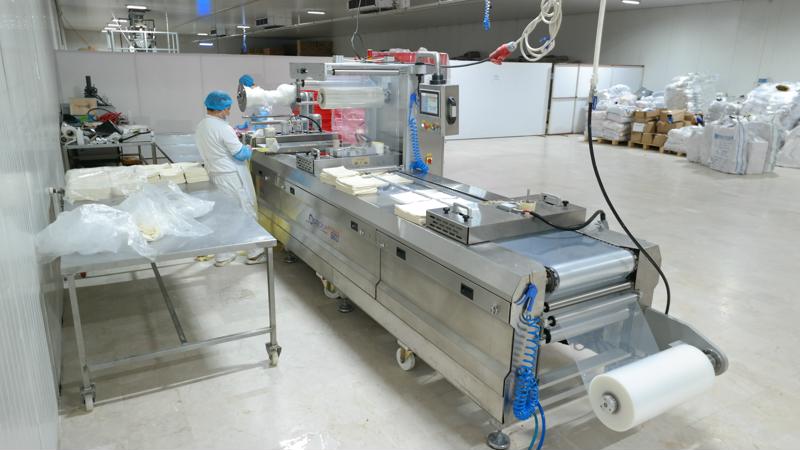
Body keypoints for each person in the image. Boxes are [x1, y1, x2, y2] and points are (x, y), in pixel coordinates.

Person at [195, 90, 265, 266]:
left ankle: (223, 255)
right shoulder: (223, 128)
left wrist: (235, 137)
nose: (229, 111)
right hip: (231, 175)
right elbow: (240, 154)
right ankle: (254, 252)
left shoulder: (202, 125)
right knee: (244, 210)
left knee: (224, 215)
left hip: (215, 174)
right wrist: (249, 148)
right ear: (221, 109)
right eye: (227, 108)